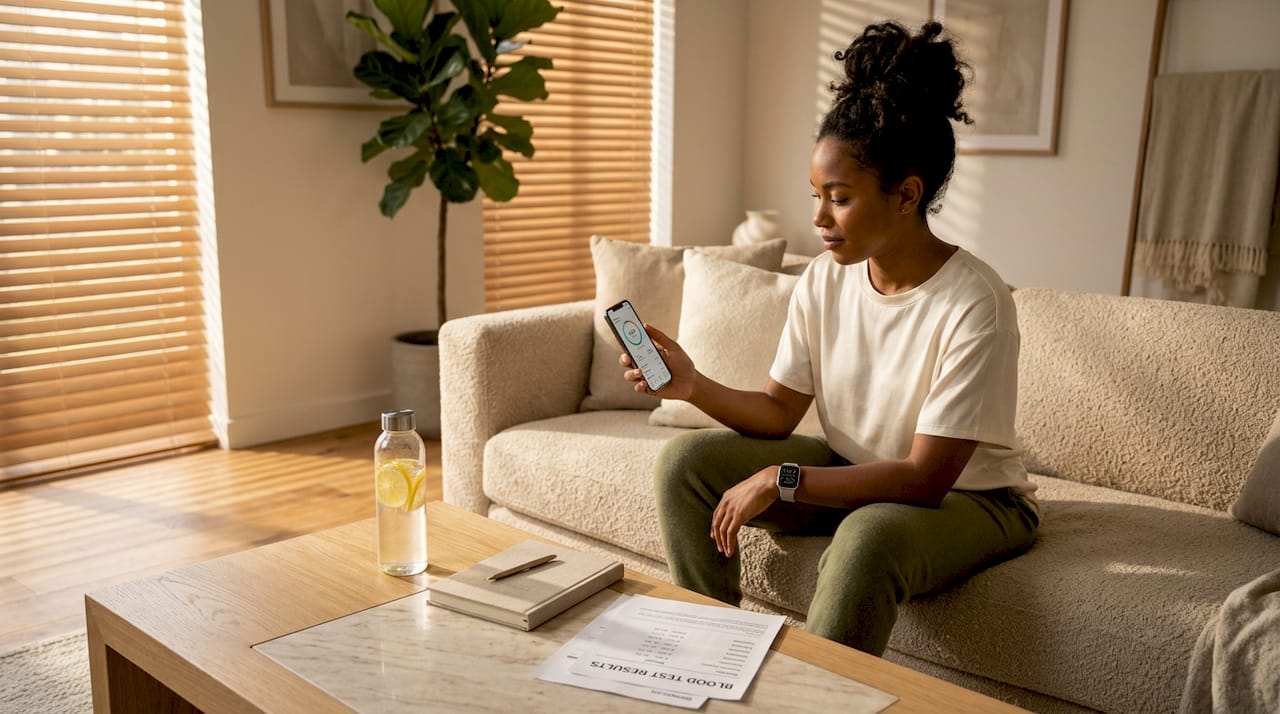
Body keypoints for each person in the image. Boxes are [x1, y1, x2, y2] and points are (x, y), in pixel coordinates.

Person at [618, 20, 1040, 656]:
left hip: (974, 501)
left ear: (906, 195)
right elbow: (779, 410)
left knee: (870, 538)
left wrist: (781, 479)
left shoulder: (975, 302)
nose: (818, 219)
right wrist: (693, 385)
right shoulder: (824, 278)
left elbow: (925, 478)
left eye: (838, 199)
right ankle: (710, 658)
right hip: (857, 471)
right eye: (815, 195)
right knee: (686, 463)